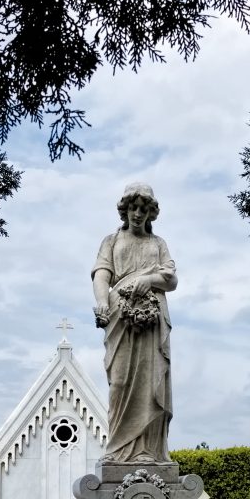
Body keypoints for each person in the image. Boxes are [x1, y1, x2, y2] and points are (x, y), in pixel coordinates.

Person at [93, 183, 177, 463]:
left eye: (143, 209)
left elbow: (171, 279)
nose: (137, 213)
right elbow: (102, 274)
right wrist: (102, 302)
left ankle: (147, 451)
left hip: (152, 321)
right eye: (133, 207)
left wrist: (147, 280)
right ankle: (117, 450)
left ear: (150, 213)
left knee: (148, 383)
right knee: (119, 381)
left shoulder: (158, 244)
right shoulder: (112, 240)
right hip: (120, 316)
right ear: (125, 210)